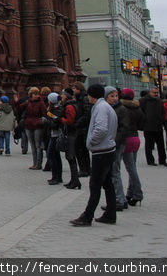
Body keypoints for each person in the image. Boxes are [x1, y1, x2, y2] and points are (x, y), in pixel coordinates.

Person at [70, 83, 118, 227]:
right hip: (107, 150)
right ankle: (110, 213)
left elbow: (101, 129)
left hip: (102, 151)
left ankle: (87, 216)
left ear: (91, 96)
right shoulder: (104, 106)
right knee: (107, 184)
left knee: (95, 184)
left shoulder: (100, 108)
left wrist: (91, 142)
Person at [113, 88, 143, 207]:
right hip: (136, 138)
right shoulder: (137, 108)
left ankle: (138, 194)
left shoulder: (122, 109)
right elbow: (142, 123)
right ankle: (131, 194)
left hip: (126, 139)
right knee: (132, 168)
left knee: (126, 168)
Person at [59, 88, 81, 189]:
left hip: (71, 134)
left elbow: (70, 121)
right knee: (70, 157)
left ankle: (75, 181)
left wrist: (61, 119)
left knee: (71, 157)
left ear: (67, 95)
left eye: (63, 94)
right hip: (72, 133)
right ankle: (74, 180)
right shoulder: (70, 104)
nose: (61, 96)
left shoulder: (69, 106)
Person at [20, 87, 47, 170]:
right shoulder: (28, 102)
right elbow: (19, 107)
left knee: (38, 145)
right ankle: (34, 163)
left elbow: (44, 113)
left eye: (37, 94)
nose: (37, 96)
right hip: (28, 125)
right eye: (35, 94)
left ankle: (39, 164)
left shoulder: (41, 103)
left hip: (38, 125)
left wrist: (41, 121)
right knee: (32, 145)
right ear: (31, 95)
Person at [140, 86, 166, 166]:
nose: (156, 94)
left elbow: (163, 111)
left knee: (161, 144)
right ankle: (150, 160)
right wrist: (145, 120)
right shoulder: (143, 100)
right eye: (154, 92)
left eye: (157, 93)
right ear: (149, 92)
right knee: (149, 145)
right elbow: (141, 112)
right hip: (148, 126)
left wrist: (161, 119)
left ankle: (162, 160)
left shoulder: (159, 101)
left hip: (158, 125)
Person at [72, 81, 92, 177]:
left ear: (79, 89)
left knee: (80, 150)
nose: (73, 90)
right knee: (83, 150)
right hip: (82, 127)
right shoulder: (80, 98)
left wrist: (77, 123)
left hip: (83, 128)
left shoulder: (84, 98)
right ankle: (86, 169)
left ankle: (84, 169)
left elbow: (86, 113)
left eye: (74, 88)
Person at [44, 92, 64, 185]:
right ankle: (57, 177)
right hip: (53, 135)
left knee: (51, 155)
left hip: (56, 135)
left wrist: (46, 120)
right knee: (56, 156)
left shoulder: (57, 110)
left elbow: (54, 123)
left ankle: (56, 177)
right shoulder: (55, 109)